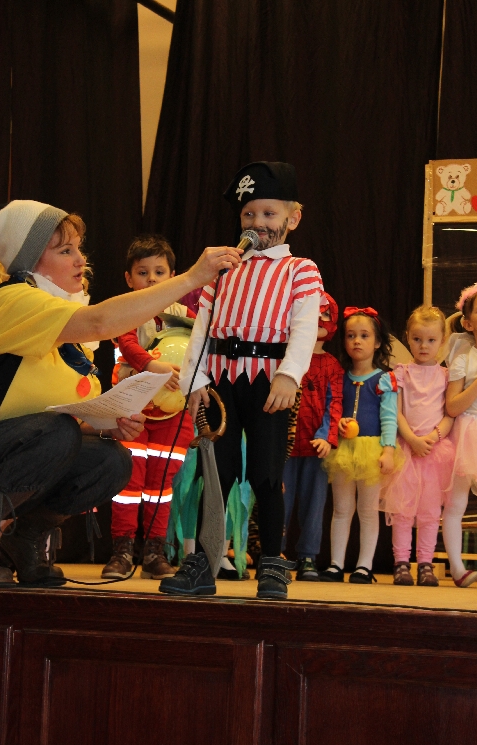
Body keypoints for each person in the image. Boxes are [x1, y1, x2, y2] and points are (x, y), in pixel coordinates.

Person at [0, 199, 240, 587]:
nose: (81, 260)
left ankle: (25, 540)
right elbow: (99, 322)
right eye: (66, 251)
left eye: (78, 248)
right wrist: (191, 278)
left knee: (110, 460)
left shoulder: (65, 328)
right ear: (31, 260)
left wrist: (106, 426)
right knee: (59, 433)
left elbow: (62, 416)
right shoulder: (13, 300)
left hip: (12, 451)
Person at [160, 161, 325, 600]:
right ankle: (202, 563)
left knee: (267, 475)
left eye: (269, 214)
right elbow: (202, 326)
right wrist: (195, 382)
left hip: (270, 385)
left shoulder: (300, 270)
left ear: (293, 218)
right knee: (216, 472)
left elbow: (304, 326)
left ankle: (272, 563)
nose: (258, 222)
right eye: (249, 214)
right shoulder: (222, 269)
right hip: (221, 383)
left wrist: (289, 375)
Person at [102, 234, 195, 580]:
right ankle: (122, 551)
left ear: (173, 276)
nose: (152, 280)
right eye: (143, 273)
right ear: (129, 278)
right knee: (128, 481)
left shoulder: (188, 316)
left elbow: (202, 350)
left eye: (159, 272)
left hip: (173, 416)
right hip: (132, 411)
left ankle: (155, 552)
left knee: (161, 484)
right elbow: (128, 344)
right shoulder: (125, 310)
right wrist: (152, 365)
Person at [320, 306, 402, 584]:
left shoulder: (384, 379)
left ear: (377, 342)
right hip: (343, 450)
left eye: (364, 335)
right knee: (341, 509)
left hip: (371, 451)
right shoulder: (339, 376)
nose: (357, 341)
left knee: (368, 511)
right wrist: (339, 423)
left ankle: (364, 566)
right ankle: (335, 564)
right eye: (351, 335)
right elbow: (332, 409)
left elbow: (389, 418)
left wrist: (388, 450)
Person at [381, 306, 454, 586]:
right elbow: (396, 411)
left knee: (430, 513)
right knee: (402, 510)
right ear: (407, 338)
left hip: (435, 453)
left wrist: (433, 437)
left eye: (431, 340)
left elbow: (449, 414)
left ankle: (425, 563)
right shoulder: (401, 373)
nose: (424, 346)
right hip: (406, 449)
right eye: (417, 339)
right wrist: (412, 439)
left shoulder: (446, 376)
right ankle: (401, 562)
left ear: (442, 341)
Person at [282, 292, 343, 580]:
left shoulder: (331, 365)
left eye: (325, 313)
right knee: (279, 500)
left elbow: (335, 403)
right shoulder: (287, 358)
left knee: (314, 506)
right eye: (313, 311)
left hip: (316, 448)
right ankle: (275, 552)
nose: (319, 318)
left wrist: (327, 436)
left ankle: (308, 556)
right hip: (284, 448)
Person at [443, 284, 477, 587]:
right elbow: (452, 406)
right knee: (455, 504)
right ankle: (457, 568)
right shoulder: (464, 358)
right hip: (468, 431)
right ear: (468, 323)